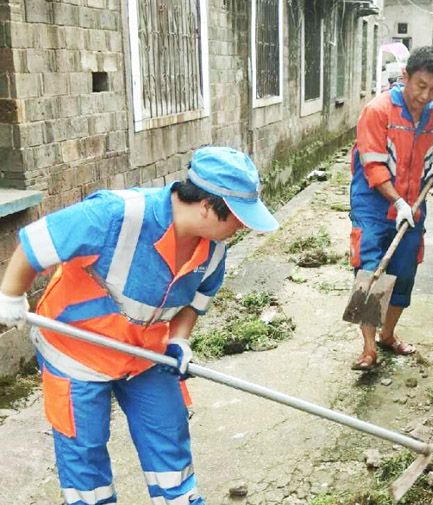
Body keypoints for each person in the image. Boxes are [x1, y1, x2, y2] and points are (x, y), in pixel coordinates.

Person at [0, 146, 279, 505]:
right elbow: (34, 242)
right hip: (76, 352)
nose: (242, 227)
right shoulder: (116, 215)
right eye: (238, 218)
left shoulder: (213, 251)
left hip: (146, 353)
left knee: (168, 439)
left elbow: (194, 303)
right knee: (84, 454)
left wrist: (179, 341)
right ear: (208, 206)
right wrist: (10, 296)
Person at [348, 46, 433, 370]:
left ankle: (387, 334)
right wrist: (396, 202)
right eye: (421, 86)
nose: (425, 96)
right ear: (405, 77)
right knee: (370, 271)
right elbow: (372, 166)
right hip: (372, 206)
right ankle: (368, 350)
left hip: (414, 207)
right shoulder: (378, 111)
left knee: (404, 273)